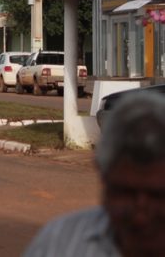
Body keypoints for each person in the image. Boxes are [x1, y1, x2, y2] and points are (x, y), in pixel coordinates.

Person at [23, 90, 165, 257]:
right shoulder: (58, 243)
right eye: (125, 193)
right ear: (103, 178)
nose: (140, 218)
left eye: (158, 195)